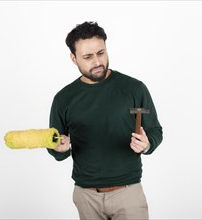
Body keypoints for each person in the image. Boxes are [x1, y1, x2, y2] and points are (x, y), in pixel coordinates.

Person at [47, 21, 163, 220]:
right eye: (88, 57)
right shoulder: (63, 98)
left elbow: (155, 131)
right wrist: (59, 148)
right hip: (86, 196)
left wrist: (147, 144)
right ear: (73, 58)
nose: (97, 62)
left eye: (101, 53)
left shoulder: (134, 88)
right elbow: (55, 148)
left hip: (128, 194)